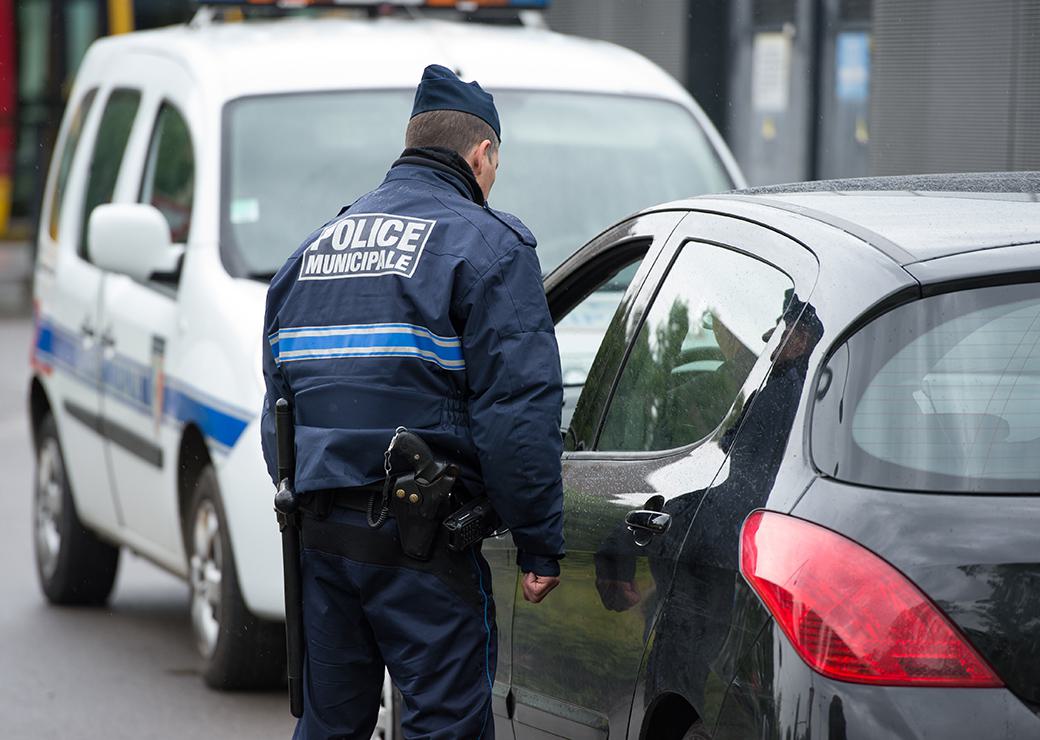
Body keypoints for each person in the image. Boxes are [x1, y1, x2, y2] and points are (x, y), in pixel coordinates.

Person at [260, 64, 565, 739]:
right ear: (482, 155)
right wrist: (540, 542)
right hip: (422, 548)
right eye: (496, 164)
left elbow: (278, 416)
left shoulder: (309, 253)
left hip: (321, 543)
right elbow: (517, 411)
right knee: (444, 727)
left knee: (328, 728)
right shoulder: (488, 245)